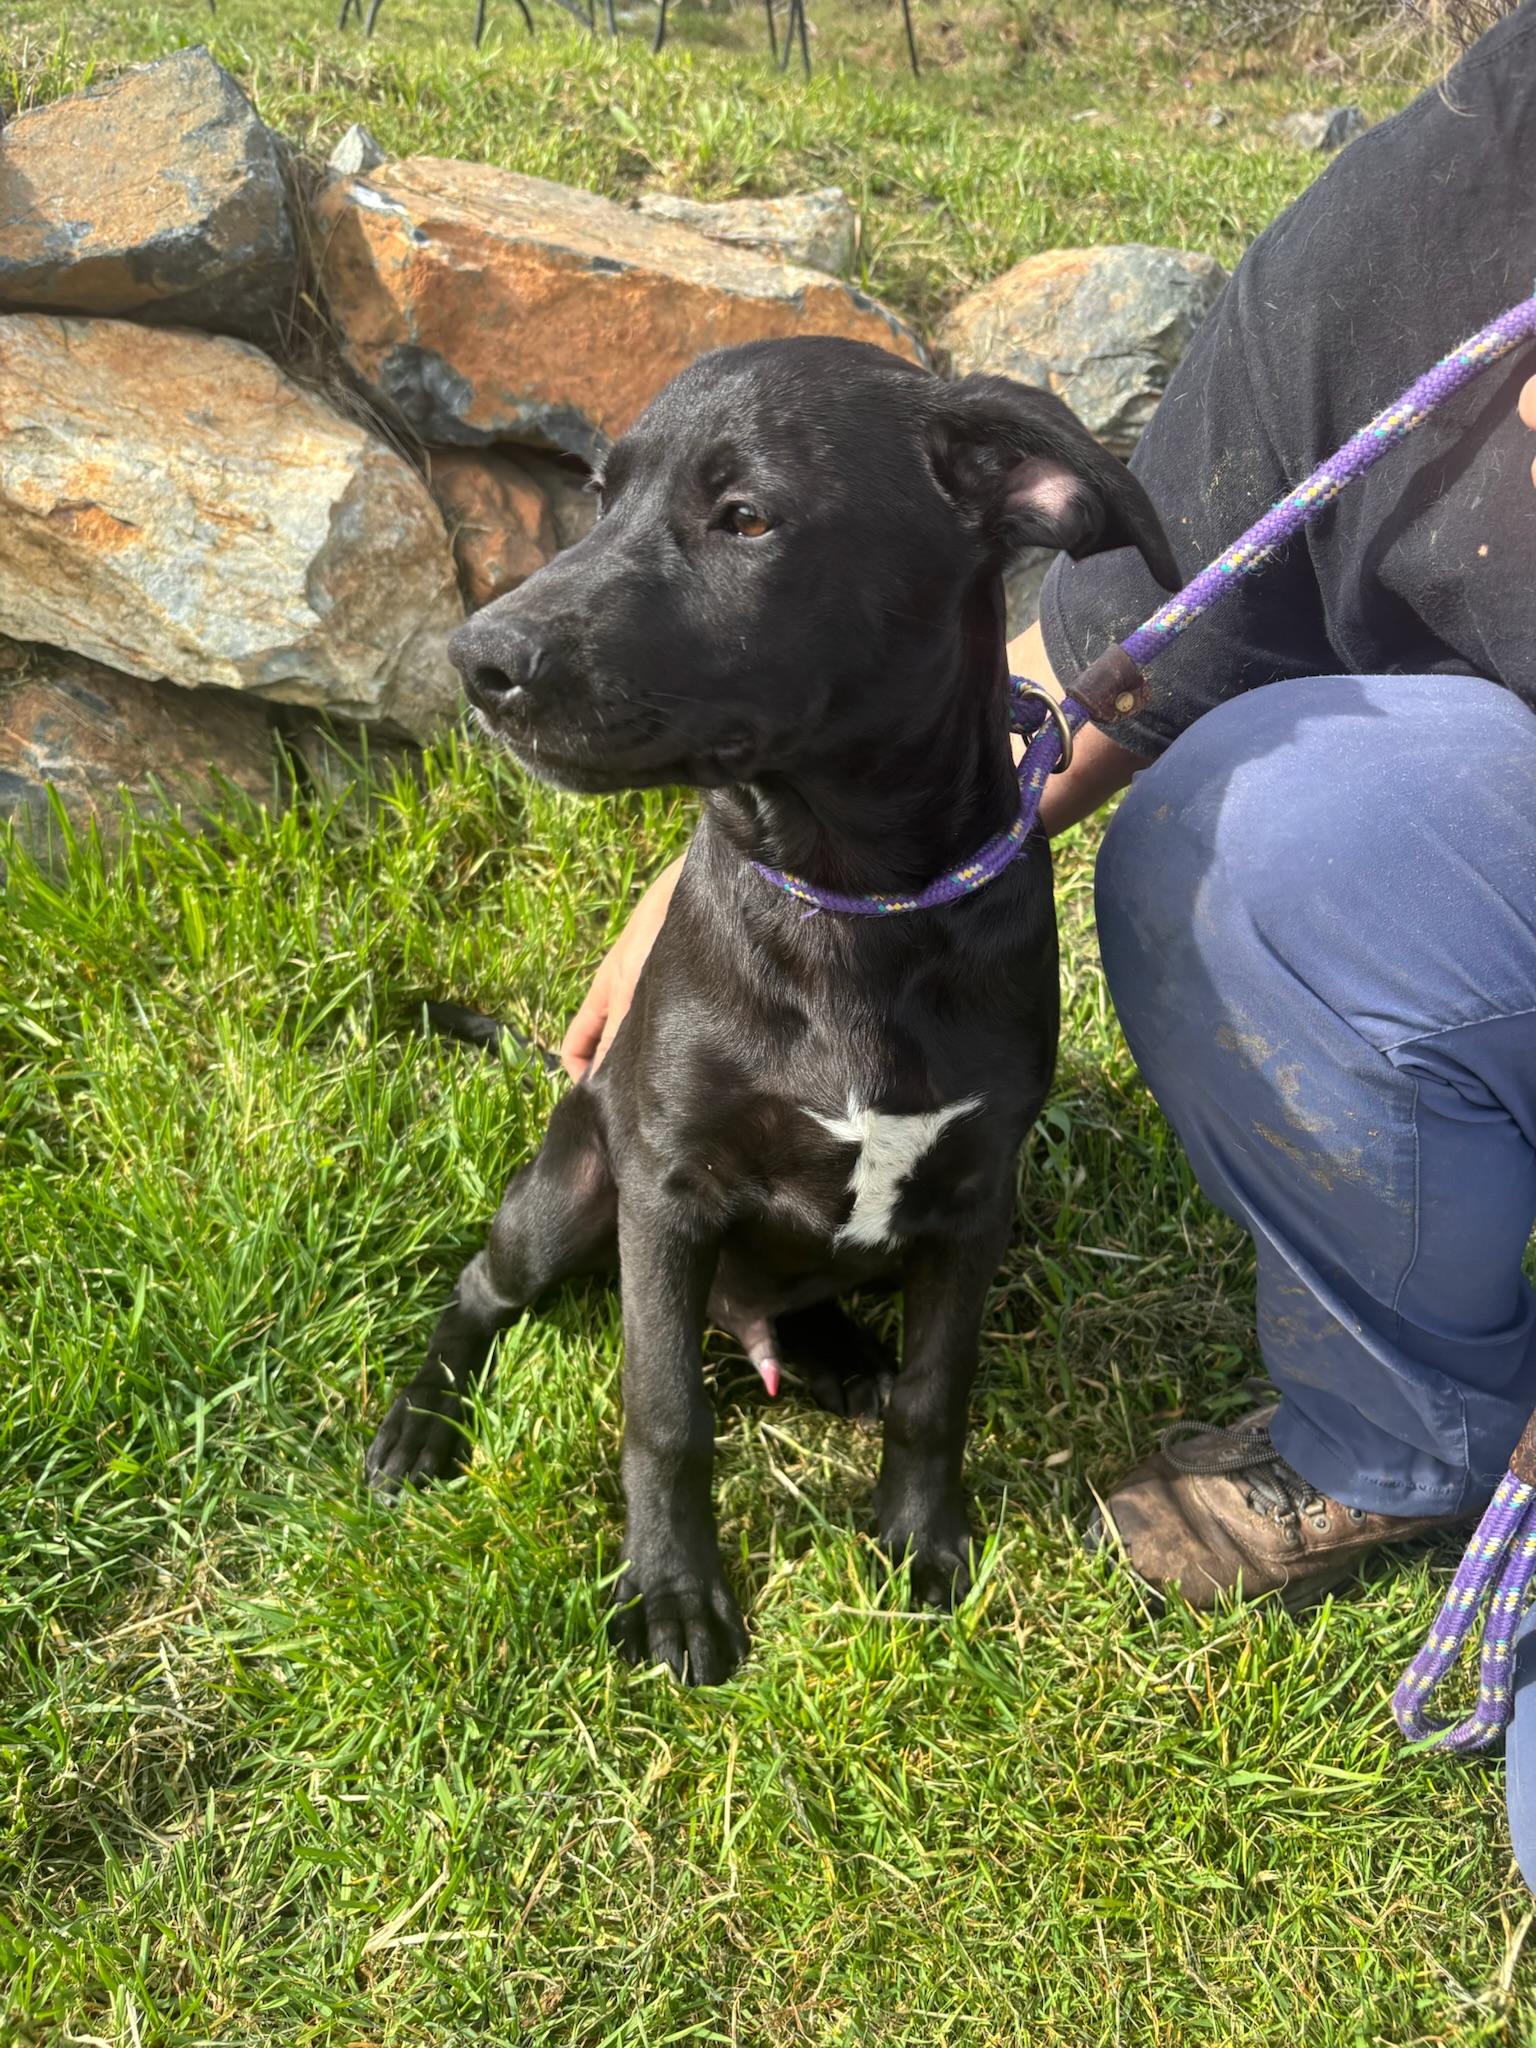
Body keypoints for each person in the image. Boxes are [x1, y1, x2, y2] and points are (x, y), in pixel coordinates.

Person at [560, 0, 1536, 1609]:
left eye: (734, 518)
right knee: (1251, 826)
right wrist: (729, 861)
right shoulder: (1454, 183)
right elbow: (1123, 652)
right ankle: (1409, 1434)